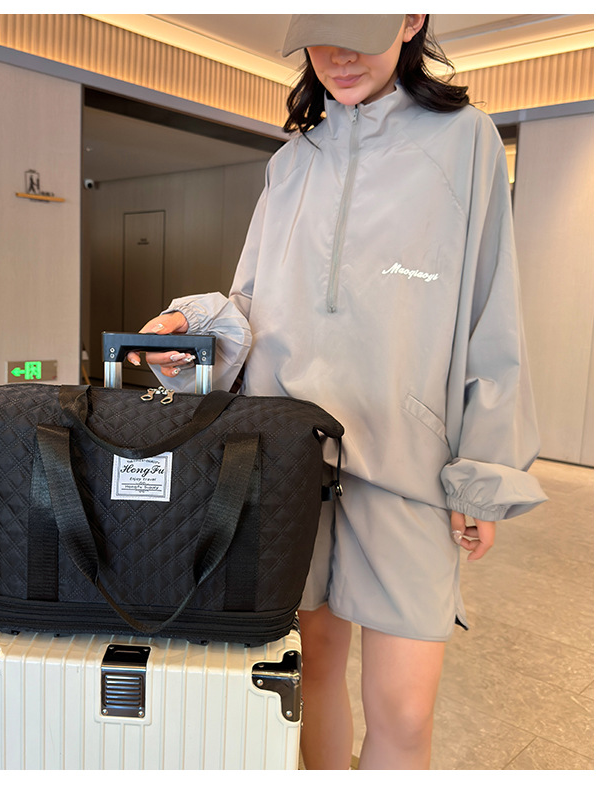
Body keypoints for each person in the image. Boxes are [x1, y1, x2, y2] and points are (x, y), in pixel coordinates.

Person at [126, 14, 546, 770]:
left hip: (407, 463)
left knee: (404, 712)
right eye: (321, 32)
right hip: (290, 461)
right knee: (309, 674)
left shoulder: (466, 142)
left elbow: (493, 311)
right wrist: (192, 328)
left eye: (359, 24)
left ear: (411, 19)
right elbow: (252, 306)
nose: (339, 54)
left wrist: (486, 468)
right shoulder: (291, 163)